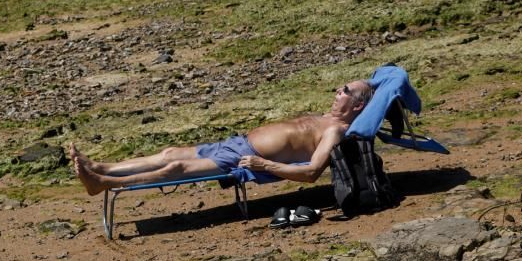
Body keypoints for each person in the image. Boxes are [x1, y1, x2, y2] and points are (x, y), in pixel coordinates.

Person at [69, 79, 375, 196]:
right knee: (170, 153)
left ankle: (104, 184)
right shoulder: (325, 117)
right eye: (339, 88)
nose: (338, 92)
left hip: (244, 158)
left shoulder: (336, 131)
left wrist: (262, 164)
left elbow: (310, 173)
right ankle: (102, 167)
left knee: (175, 170)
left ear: (358, 105)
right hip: (236, 142)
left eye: (345, 91)